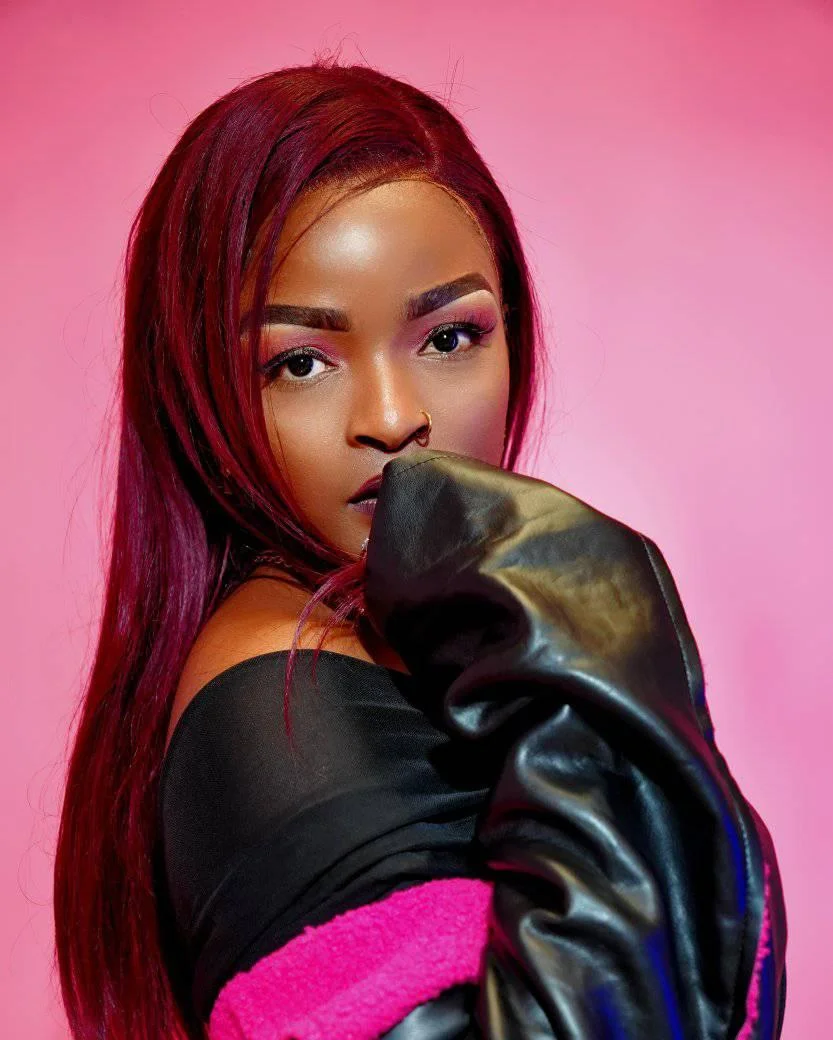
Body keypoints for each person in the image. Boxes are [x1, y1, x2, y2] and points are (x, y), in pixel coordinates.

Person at [53, 60, 787, 1040]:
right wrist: (591, 661)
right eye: (299, 361)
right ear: (199, 394)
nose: (395, 420)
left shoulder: (400, 637)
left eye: (446, 337)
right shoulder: (280, 718)